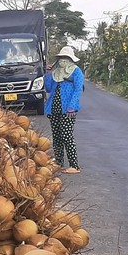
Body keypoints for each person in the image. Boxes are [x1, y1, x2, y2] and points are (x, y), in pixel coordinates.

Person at [44, 46, 85, 174]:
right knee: (56, 136)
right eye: (61, 58)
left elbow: (78, 89)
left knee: (67, 136)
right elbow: (49, 89)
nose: (63, 60)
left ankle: (74, 165)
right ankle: (59, 162)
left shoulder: (76, 72)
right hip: (54, 108)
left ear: (71, 59)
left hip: (68, 110)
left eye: (66, 58)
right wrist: (48, 74)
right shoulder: (56, 72)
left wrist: (72, 106)